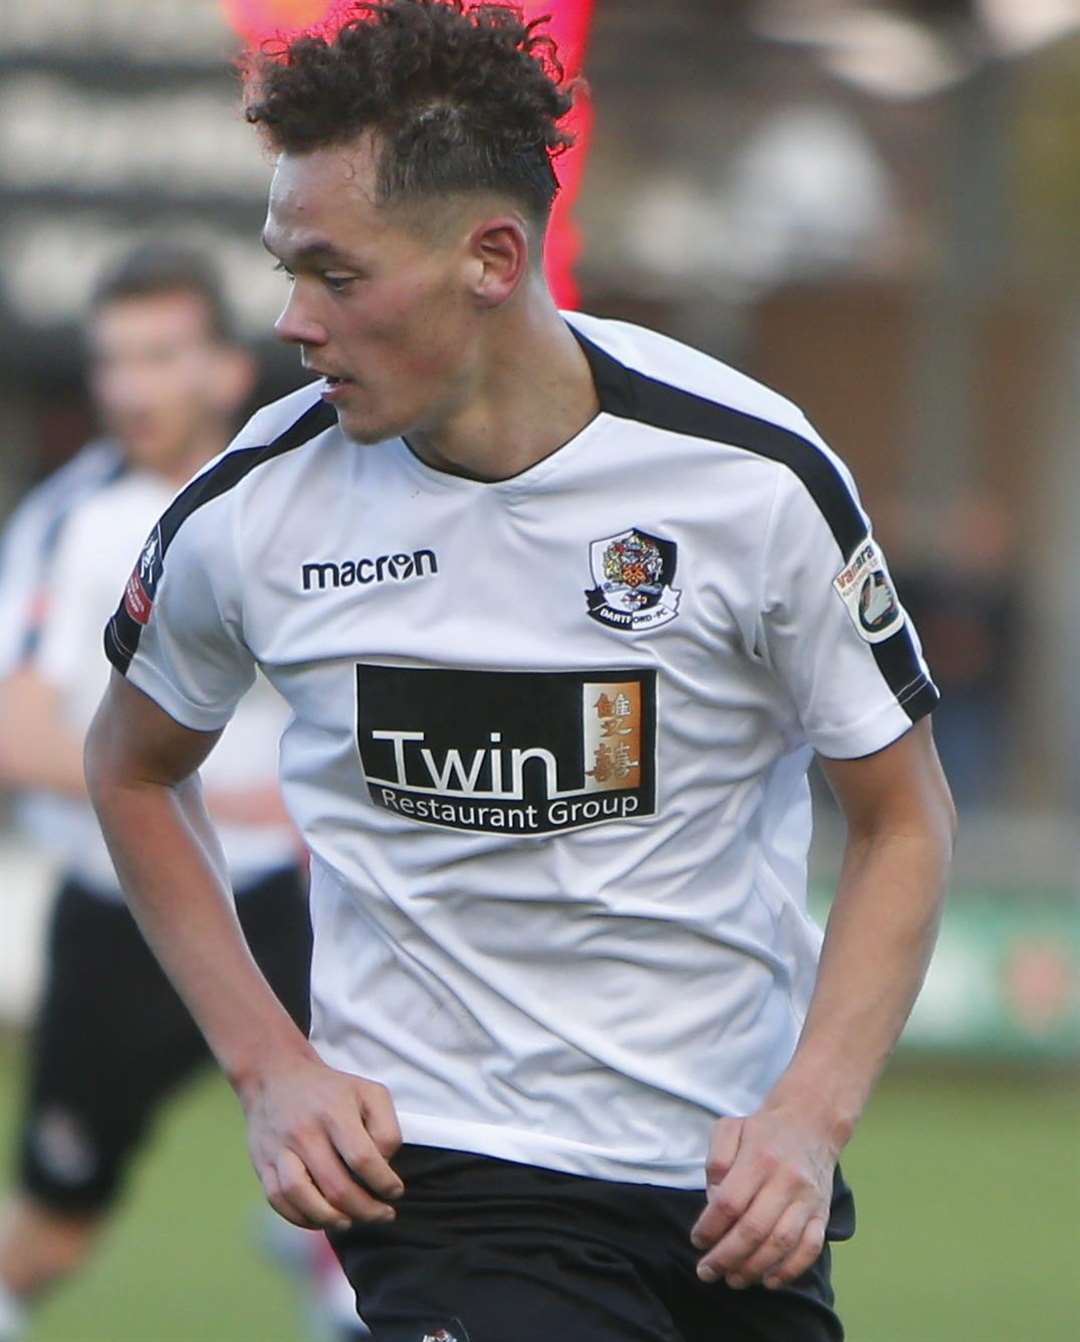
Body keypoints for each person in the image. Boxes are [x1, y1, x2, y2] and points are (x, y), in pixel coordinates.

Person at [84, 4, 957, 1340]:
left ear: (492, 256)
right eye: (284, 267)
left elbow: (903, 817)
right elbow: (131, 766)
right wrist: (272, 1068)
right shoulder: (253, 509)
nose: (291, 320)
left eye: (335, 272)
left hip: (729, 1195)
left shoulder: (754, 481)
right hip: (451, 1181)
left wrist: (806, 1116)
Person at [0, 245, 314, 1342]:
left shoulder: (301, 500)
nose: (132, 386)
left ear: (226, 371)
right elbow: (17, 732)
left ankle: (331, 1261)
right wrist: (205, 804)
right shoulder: (67, 522)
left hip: (287, 905)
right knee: (53, 1224)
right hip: (122, 919)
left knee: (377, 1167)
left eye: (160, 355)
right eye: (114, 361)